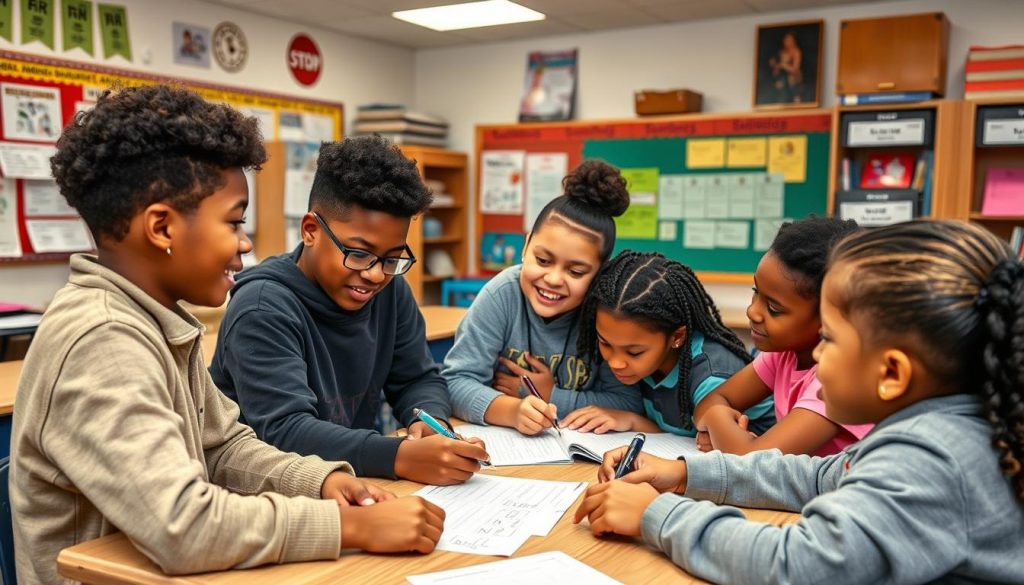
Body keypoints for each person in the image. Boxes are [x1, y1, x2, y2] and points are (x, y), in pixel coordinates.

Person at [10, 86, 443, 585]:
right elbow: (181, 527)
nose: (246, 242)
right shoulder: (103, 339)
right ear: (162, 228)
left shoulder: (158, 320)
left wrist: (321, 482)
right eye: (235, 221)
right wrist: (347, 525)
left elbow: (223, 448)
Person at [574, 219, 1024, 583]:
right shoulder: (931, 430)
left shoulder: (932, 457)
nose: (817, 355)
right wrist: (680, 473)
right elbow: (814, 476)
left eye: (828, 338)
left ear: (891, 373)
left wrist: (657, 516)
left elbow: (796, 565)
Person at [209, 136, 489, 486]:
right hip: (271, 495)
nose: (374, 274)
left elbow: (417, 378)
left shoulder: (390, 292)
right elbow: (283, 432)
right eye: (358, 253)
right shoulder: (263, 306)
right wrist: (398, 455)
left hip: (347, 479)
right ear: (310, 230)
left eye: (391, 258)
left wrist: (430, 424)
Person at [444, 160, 642, 435]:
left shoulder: (606, 311)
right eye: (543, 260)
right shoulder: (502, 295)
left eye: (575, 271)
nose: (553, 279)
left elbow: (628, 403)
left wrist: (552, 395)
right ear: (525, 246)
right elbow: (455, 382)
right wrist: (512, 410)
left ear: (599, 274)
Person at [693, 217, 870, 456]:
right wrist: (723, 428)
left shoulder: (838, 380)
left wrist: (717, 422)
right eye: (756, 292)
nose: (752, 311)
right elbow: (710, 401)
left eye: (774, 309)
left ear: (830, 317)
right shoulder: (784, 355)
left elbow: (753, 463)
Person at [563, 251, 774, 436]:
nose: (616, 362)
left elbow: (703, 445)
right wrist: (633, 421)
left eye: (634, 352)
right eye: (605, 343)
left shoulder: (710, 378)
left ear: (677, 337)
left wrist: (633, 422)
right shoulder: (641, 353)